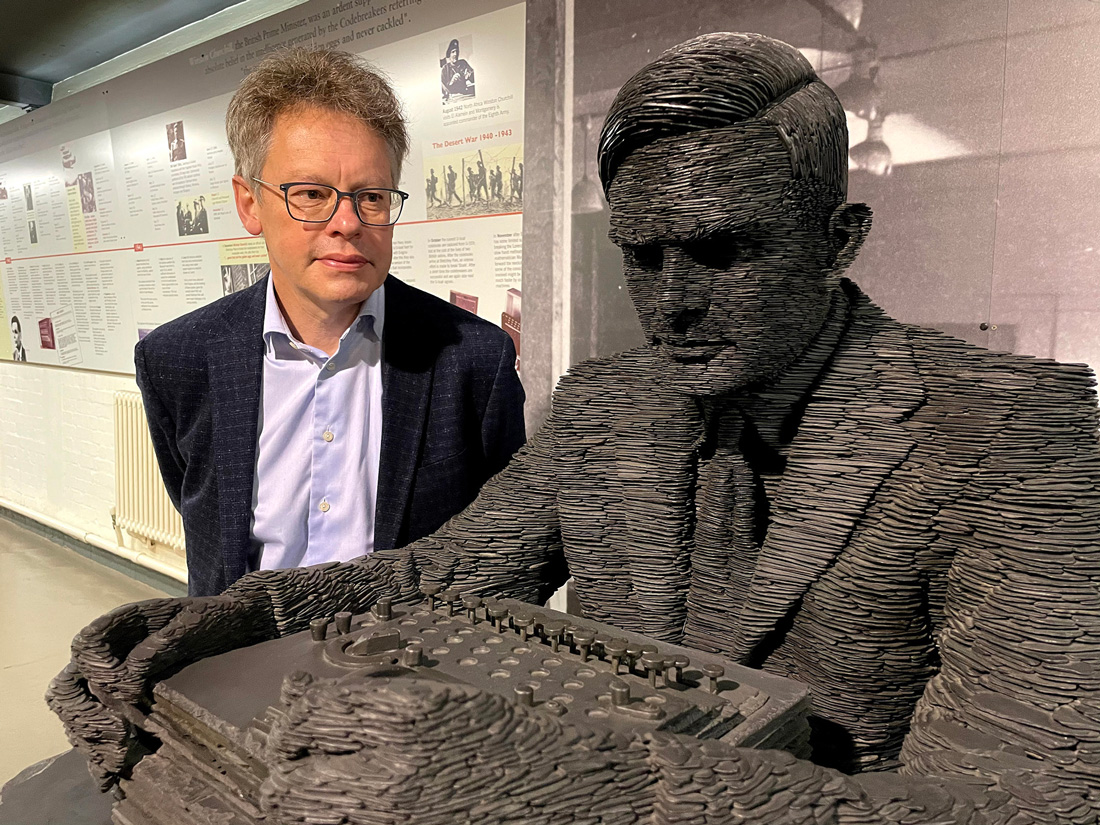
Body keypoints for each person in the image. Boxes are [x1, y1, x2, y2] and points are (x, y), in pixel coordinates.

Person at [52, 34, 1100, 821]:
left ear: (837, 239)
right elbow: (445, 571)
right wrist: (252, 611)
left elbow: (1018, 805)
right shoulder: (607, 410)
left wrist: (579, 783)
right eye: (640, 256)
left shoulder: (1011, 437)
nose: (672, 302)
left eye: (723, 251)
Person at [128, 48, 524, 598]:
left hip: (414, 673)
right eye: (311, 194)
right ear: (249, 204)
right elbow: (203, 515)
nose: (348, 223)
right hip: (242, 662)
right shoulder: (178, 359)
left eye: (372, 197)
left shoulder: (473, 359)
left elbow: (501, 547)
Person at [440, 38, 475, 102]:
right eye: (453, 52)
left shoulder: (463, 63)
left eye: (457, 51)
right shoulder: (445, 68)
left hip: (465, 95)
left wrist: (470, 76)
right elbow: (442, 89)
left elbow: (474, 79)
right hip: (453, 97)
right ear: (449, 54)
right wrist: (451, 82)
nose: (455, 54)